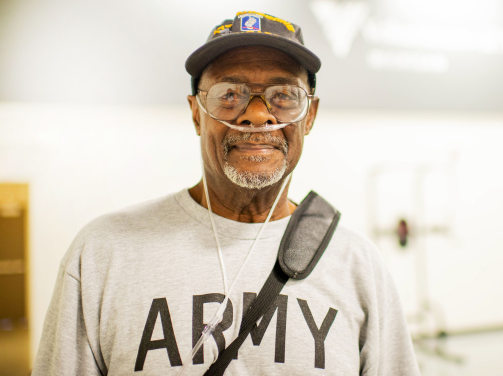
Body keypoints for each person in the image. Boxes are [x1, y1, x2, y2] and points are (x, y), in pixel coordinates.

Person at [32, 11, 420, 376]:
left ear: (310, 115)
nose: (256, 114)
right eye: (229, 94)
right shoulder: (104, 253)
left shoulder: (357, 266)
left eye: (283, 95)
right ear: (196, 113)